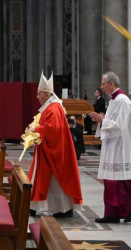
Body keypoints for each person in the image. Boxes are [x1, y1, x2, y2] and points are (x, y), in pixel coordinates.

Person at [28, 71, 83, 218]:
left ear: (46, 94)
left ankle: (64, 209)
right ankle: (38, 206)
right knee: (45, 180)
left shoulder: (54, 108)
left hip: (55, 151)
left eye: (39, 94)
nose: (37, 97)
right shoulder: (51, 106)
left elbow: (54, 129)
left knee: (55, 180)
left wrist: (36, 129)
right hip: (47, 150)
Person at [90, 72, 131, 223]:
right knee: (110, 181)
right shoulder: (114, 101)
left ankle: (125, 211)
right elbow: (112, 122)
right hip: (113, 145)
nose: (101, 86)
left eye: (103, 84)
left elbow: (119, 126)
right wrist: (101, 121)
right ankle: (112, 213)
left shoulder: (122, 100)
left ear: (111, 84)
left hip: (120, 146)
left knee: (119, 181)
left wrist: (103, 120)